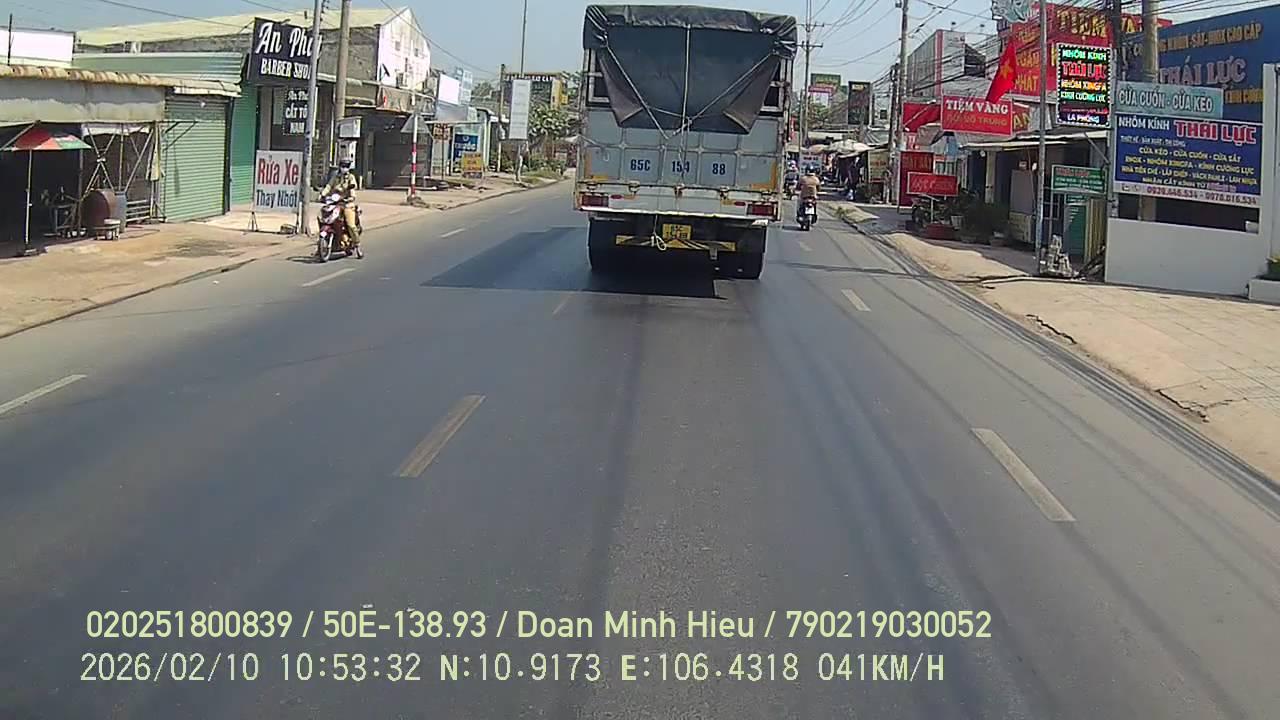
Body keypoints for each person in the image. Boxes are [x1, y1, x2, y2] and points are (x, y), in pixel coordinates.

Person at [321, 159, 361, 246]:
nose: (344, 168)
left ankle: (356, 242)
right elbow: (329, 186)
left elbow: (352, 189)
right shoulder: (335, 177)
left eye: (346, 166)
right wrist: (322, 195)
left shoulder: (351, 177)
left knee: (350, 225)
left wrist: (351, 197)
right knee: (324, 216)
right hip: (335, 203)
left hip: (347, 204)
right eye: (343, 166)